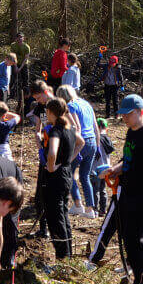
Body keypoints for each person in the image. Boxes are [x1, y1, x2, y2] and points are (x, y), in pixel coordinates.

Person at [100, 94, 143, 284]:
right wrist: (114, 169)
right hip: (127, 192)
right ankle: (140, 279)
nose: (124, 118)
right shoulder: (131, 133)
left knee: (139, 239)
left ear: (140, 112)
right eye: (123, 115)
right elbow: (127, 160)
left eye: (128, 114)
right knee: (129, 238)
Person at [41, 98, 82, 261]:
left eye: (47, 112)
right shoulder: (70, 128)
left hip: (55, 178)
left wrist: (51, 167)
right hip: (66, 175)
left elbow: (52, 152)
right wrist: (67, 161)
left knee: (55, 217)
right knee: (63, 214)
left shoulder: (56, 130)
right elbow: (81, 142)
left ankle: (62, 257)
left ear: (51, 112)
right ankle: (68, 255)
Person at [56, 85, 98, 219]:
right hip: (91, 141)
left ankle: (78, 204)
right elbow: (95, 126)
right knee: (85, 176)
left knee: (70, 172)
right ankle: (90, 209)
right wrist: (97, 144)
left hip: (81, 142)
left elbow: (75, 127)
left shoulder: (70, 106)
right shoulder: (86, 104)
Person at [27, 81, 57, 237]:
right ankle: (43, 229)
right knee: (40, 193)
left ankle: (55, 231)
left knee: (54, 194)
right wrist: (39, 143)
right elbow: (37, 129)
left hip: (57, 153)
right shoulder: (39, 107)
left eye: (38, 97)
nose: (37, 101)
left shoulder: (58, 103)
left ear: (45, 92)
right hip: (45, 152)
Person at [92, 118, 115, 214]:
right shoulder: (108, 139)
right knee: (103, 189)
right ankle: (103, 209)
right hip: (106, 166)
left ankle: (95, 209)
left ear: (97, 127)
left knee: (95, 189)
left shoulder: (95, 138)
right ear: (105, 127)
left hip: (95, 167)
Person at [10, 32, 32, 112]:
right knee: (12, 79)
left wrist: (20, 68)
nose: (19, 39)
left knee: (25, 81)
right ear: (16, 38)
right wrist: (16, 66)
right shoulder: (13, 45)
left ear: (23, 38)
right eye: (18, 37)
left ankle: (26, 95)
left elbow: (26, 59)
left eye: (21, 37)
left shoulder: (26, 47)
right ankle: (11, 94)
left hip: (24, 65)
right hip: (15, 63)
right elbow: (13, 57)